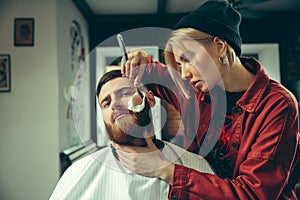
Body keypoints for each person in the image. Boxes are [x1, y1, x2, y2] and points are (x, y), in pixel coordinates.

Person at [112, 1, 300, 199]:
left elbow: (252, 193)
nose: (183, 74)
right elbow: (151, 73)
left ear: (219, 46)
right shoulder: (194, 87)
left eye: (187, 59)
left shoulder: (278, 106)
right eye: (178, 64)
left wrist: (166, 170)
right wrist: (140, 59)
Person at [49, 70, 214, 200]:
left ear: (150, 99)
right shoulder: (78, 173)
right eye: (106, 103)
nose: (114, 104)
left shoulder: (195, 166)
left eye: (125, 93)